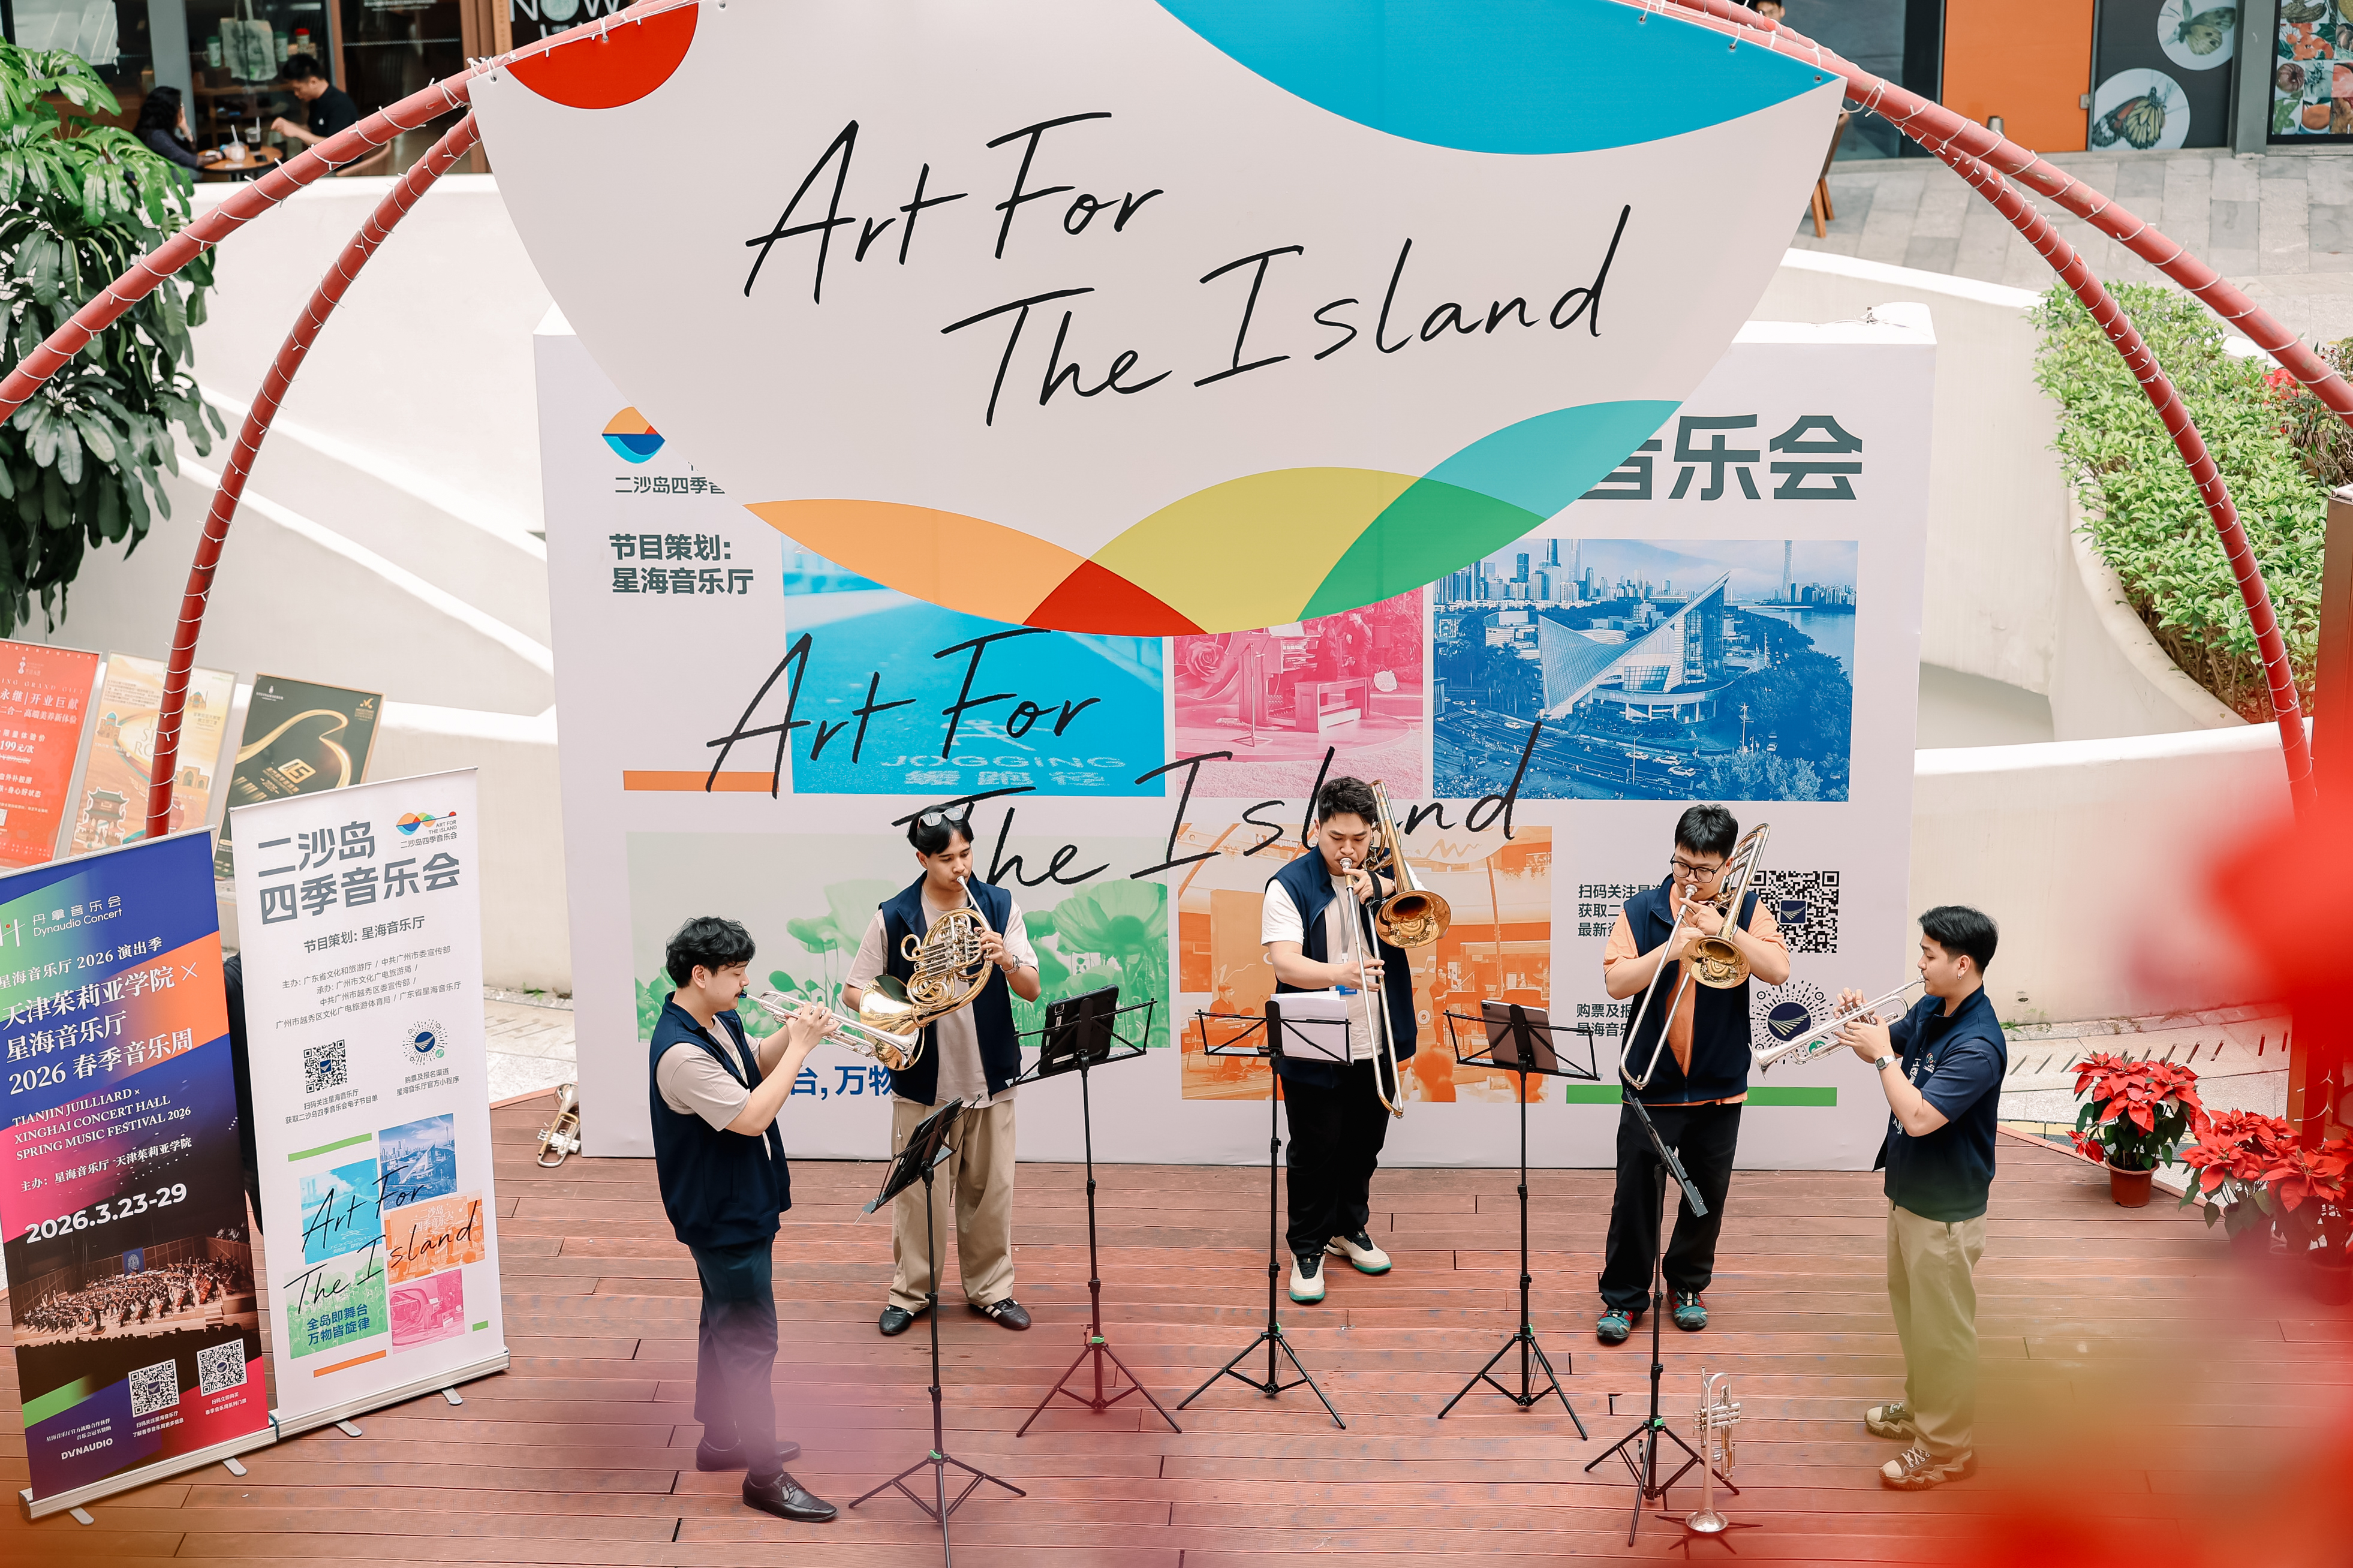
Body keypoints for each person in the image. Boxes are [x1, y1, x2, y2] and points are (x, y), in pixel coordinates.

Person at [648, 916, 838, 1524]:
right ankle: (764, 1475)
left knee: (720, 1324)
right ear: (699, 975)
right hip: (722, 1215)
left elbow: (751, 1065)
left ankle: (722, 1439)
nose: (746, 981)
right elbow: (752, 1114)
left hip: (737, 1203)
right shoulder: (679, 1052)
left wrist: (790, 1036)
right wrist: (804, 1050)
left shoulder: (714, 1016)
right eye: (735, 973)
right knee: (752, 1340)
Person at [843, 811, 1042, 1337]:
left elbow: (1032, 988)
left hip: (991, 1077)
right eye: (948, 859)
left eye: (966, 854)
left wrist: (1006, 960)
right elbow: (853, 989)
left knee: (990, 1192)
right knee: (917, 1197)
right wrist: (900, 1006)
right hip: (923, 1080)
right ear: (922, 859)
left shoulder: (997, 906)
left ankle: (992, 1290)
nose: (961, 868)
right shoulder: (896, 914)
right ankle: (911, 1292)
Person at [1596, 804, 1789, 1344]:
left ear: (1727, 866)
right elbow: (1616, 983)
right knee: (1635, 1193)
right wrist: (1674, 945)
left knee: (1707, 1194)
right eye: (1682, 865)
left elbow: (1777, 969)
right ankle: (1624, 1297)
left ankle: (1687, 1285)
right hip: (1649, 1083)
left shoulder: (1748, 909)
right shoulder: (1643, 910)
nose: (1691, 879)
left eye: (1703, 870)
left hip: (1718, 1087)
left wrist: (1725, 927)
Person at [1836, 905, 2005, 1491]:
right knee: (1914, 1316)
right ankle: (1924, 1405)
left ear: (1963, 963)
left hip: (1946, 1210)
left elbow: (1917, 1113)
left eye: (1930, 953)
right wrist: (1861, 1026)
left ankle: (1947, 1448)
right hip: (1908, 1192)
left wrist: (1882, 1053)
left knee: (1945, 1330)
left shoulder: (1979, 1044)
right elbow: (1883, 1044)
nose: (1920, 961)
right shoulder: (1935, 1005)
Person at [1262, 775, 1418, 1305]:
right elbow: (1284, 960)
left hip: (1379, 1036)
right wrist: (1342, 972)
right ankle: (1306, 1248)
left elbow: (1419, 921)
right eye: (1336, 838)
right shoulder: (1289, 884)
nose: (1348, 850)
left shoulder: (1387, 875)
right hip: (1315, 1037)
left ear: (1373, 832)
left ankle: (1348, 1229)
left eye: (1358, 838)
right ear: (1316, 831)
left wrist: (1387, 887)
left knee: (1364, 1146)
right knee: (1315, 1149)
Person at [270, 55, 358, 149]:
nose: (296, 94)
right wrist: (289, 125)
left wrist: (297, 132)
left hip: (344, 163)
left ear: (313, 82)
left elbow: (334, 146)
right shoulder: (315, 101)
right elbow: (312, 131)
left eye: (298, 89)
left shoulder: (340, 104)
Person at [133, 86, 221, 174]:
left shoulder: (154, 131)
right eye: (180, 105)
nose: (182, 109)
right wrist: (223, 155)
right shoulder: (156, 136)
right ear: (170, 111)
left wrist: (185, 128)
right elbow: (193, 161)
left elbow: (190, 153)